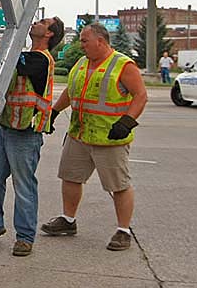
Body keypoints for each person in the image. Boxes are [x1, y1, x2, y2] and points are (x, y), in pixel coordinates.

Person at [41, 23, 148, 251]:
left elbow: (140, 95)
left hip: (109, 138)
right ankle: (68, 220)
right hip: (79, 134)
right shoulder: (82, 63)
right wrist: (54, 112)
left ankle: (123, 230)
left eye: (84, 40)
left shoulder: (122, 64)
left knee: (118, 185)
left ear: (100, 41)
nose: (81, 45)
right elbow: (71, 92)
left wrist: (126, 122)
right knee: (70, 177)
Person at [0, 16, 65, 257]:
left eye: (42, 22)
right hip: (6, 126)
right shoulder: (27, 57)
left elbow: (13, 62)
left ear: (49, 34)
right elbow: (6, 65)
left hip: (26, 132)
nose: (35, 22)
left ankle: (24, 237)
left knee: (23, 185)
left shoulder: (41, 60)